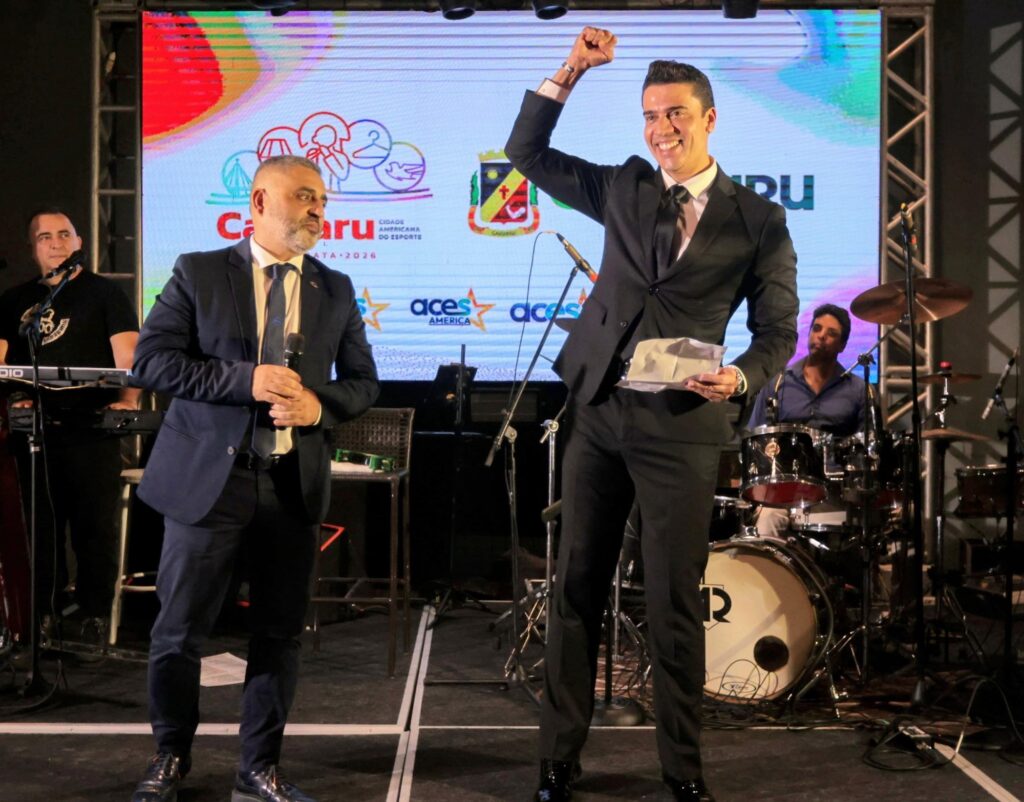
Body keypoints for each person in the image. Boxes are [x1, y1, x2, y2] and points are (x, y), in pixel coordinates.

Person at [505, 28, 799, 802]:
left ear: (709, 119)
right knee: (575, 590)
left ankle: (683, 772)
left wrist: (741, 376)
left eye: (675, 114)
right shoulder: (625, 186)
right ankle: (557, 760)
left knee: (673, 602)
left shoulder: (758, 219)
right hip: (600, 413)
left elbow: (778, 331)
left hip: (684, 426)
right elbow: (526, 153)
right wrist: (572, 69)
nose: (660, 128)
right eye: (649, 115)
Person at [128, 155, 379, 802]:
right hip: (209, 486)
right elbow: (152, 363)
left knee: (278, 635)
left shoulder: (335, 288)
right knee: (178, 634)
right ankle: (169, 758)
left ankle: (258, 768)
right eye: (304, 196)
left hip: (290, 487)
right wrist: (247, 380)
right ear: (261, 202)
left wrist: (318, 406)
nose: (317, 209)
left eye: (322, 199)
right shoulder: (199, 272)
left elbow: (363, 382)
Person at [0, 207, 139, 643]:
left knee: (94, 529)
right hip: (34, 432)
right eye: (45, 237)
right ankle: (43, 618)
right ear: (33, 248)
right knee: (39, 532)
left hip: (92, 430)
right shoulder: (15, 301)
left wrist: (126, 402)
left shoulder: (105, 294)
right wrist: (13, 397)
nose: (56, 243)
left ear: (79, 243)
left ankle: (94, 617)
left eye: (64, 234)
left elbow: (130, 358)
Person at [746, 304, 868, 536]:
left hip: (833, 492)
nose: (821, 336)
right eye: (817, 328)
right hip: (782, 489)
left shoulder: (858, 390)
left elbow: (867, 449)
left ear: (842, 345)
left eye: (831, 333)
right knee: (766, 524)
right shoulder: (778, 383)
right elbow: (756, 438)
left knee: (842, 529)